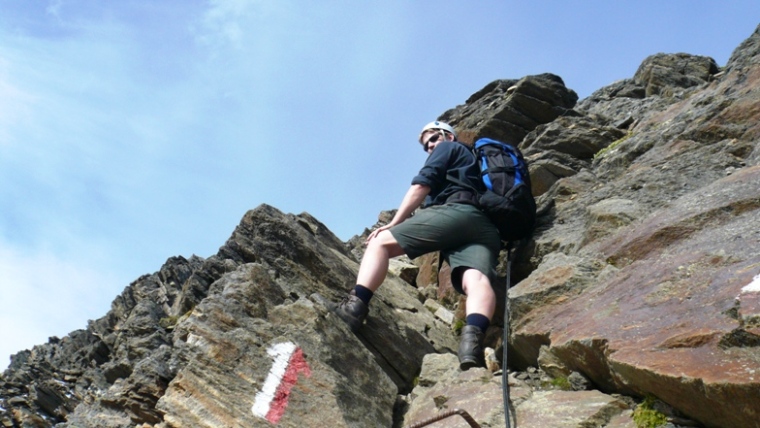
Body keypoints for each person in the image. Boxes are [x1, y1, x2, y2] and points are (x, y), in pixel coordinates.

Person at [334, 121, 502, 370]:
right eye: (426, 145)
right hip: (483, 226)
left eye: (434, 138)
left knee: (380, 243)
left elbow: (421, 185)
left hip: (454, 212)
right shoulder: (475, 161)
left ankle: (352, 309)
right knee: (475, 279)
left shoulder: (448, 149)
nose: (431, 146)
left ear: (449, 136)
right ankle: (471, 348)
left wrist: (393, 222)